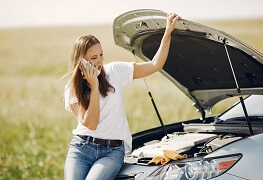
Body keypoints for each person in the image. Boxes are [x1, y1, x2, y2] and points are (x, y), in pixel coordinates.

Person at [63, 13, 179, 180]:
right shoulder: (72, 88)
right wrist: (94, 87)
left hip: (112, 151)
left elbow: (155, 65)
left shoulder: (114, 71)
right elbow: (91, 123)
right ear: (81, 62)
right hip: (81, 148)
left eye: (101, 55)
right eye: (93, 58)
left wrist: (168, 32)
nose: (99, 61)